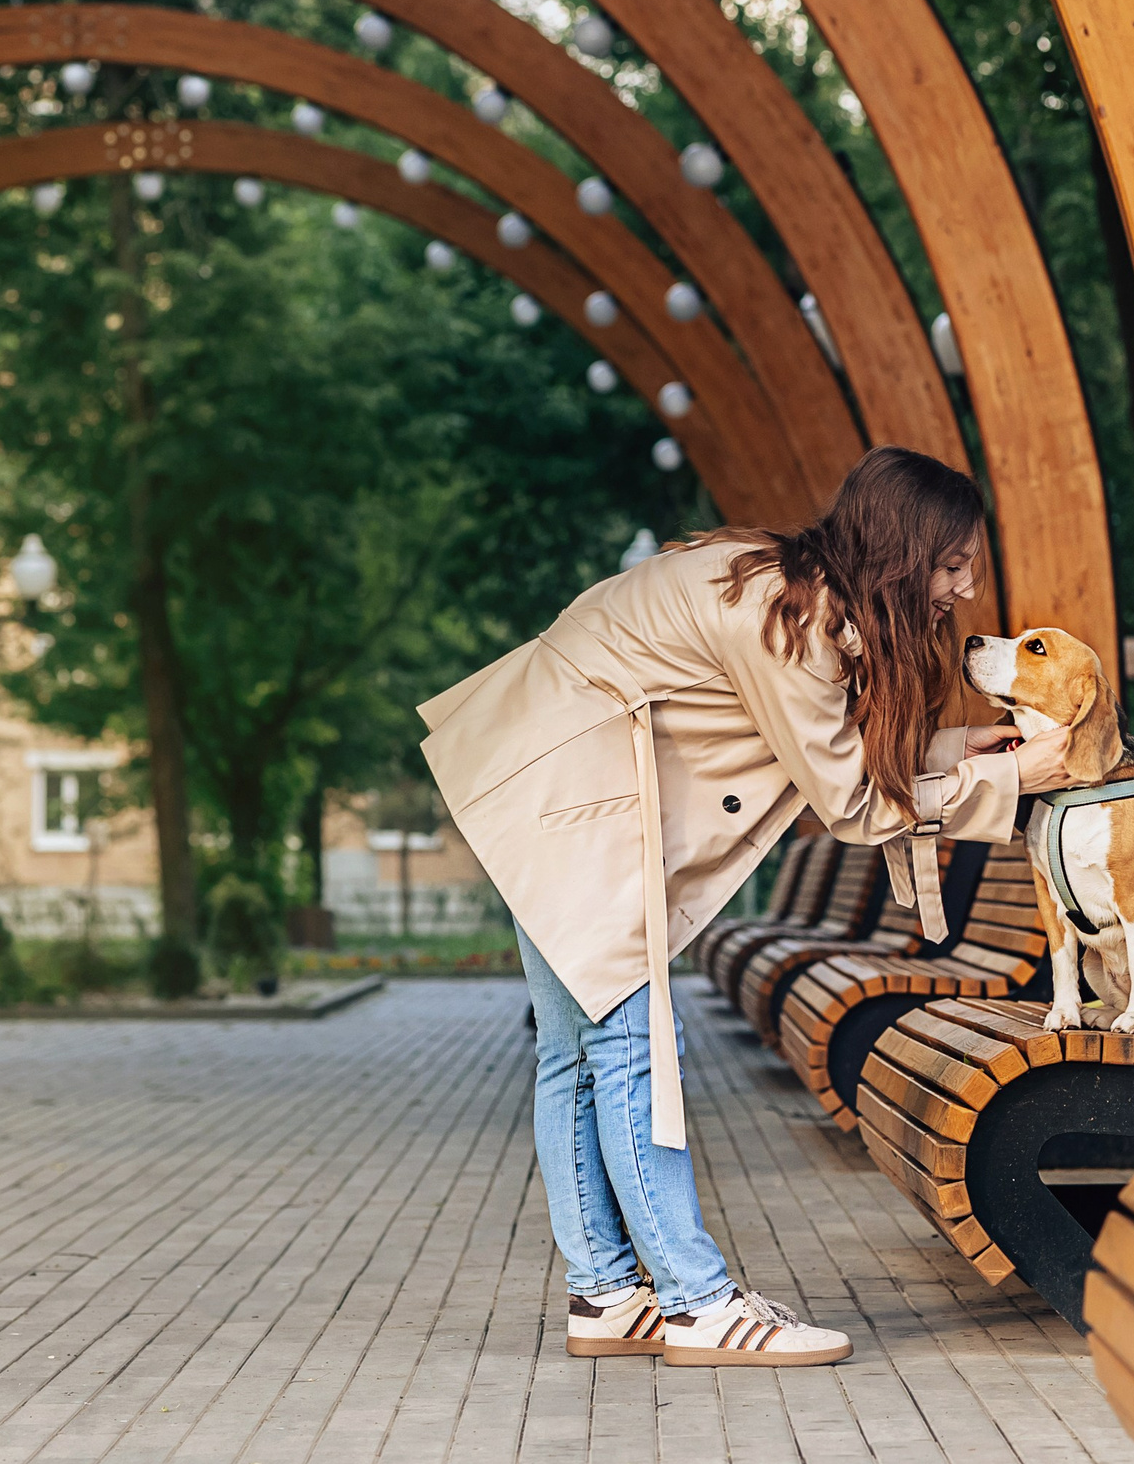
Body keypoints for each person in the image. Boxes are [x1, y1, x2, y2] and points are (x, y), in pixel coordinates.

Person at [418, 448, 1074, 1367]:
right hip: (572, 789)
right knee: (630, 1042)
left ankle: (605, 1293)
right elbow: (851, 803)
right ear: (898, 551)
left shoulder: (792, 589)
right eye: (952, 564)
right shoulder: (789, 623)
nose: (964, 590)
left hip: (544, 772)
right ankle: (696, 1302)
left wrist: (963, 743)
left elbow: (834, 744)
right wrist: (1006, 775)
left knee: (576, 1052)